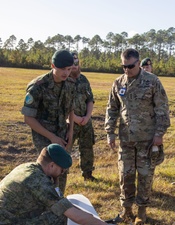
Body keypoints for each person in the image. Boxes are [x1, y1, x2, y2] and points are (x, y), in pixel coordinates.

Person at [105, 48, 170, 225]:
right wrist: (110, 132)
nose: (127, 70)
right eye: (123, 66)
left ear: (138, 63)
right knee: (125, 174)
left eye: (130, 66)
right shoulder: (118, 83)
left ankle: (142, 210)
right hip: (126, 139)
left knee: (144, 175)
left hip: (147, 140)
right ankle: (126, 209)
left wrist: (159, 134)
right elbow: (112, 108)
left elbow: (162, 109)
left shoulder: (152, 81)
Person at [0, 144, 108, 225]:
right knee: (59, 216)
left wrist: (95, 220)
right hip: (9, 222)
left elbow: (64, 204)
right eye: (62, 170)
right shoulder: (39, 181)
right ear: (52, 165)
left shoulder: (27, 167)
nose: (62, 173)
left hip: (10, 217)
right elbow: (72, 215)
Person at [21, 49, 76, 194]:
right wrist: (52, 137)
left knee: (62, 169)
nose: (65, 73)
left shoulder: (70, 83)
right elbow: (28, 118)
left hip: (63, 135)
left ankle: (59, 201)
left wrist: (71, 132)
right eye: (62, 69)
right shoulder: (38, 86)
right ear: (52, 66)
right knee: (47, 173)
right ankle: (45, 205)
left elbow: (71, 109)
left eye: (69, 69)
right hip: (44, 137)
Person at [68, 52, 97, 182]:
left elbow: (90, 99)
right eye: (71, 62)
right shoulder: (63, 79)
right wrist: (76, 119)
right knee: (65, 149)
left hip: (85, 122)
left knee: (87, 148)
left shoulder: (83, 79)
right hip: (69, 123)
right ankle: (61, 176)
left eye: (76, 62)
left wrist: (87, 117)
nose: (74, 65)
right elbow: (62, 106)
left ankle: (88, 175)